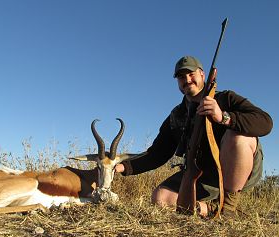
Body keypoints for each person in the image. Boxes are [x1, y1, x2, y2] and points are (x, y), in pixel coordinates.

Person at [115, 56, 273, 218]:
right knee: (160, 198)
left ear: (203, 75)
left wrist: (224, 117)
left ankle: (228, 208)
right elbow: (157, 154)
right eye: (181, 77)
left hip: (235, 173)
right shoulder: (176, 115)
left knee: (238, 138)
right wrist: (120, 167)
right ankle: (210, 209)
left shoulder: (226, 98)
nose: (187, 80)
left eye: (191, 74)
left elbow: (266, 122)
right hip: (202, 174)